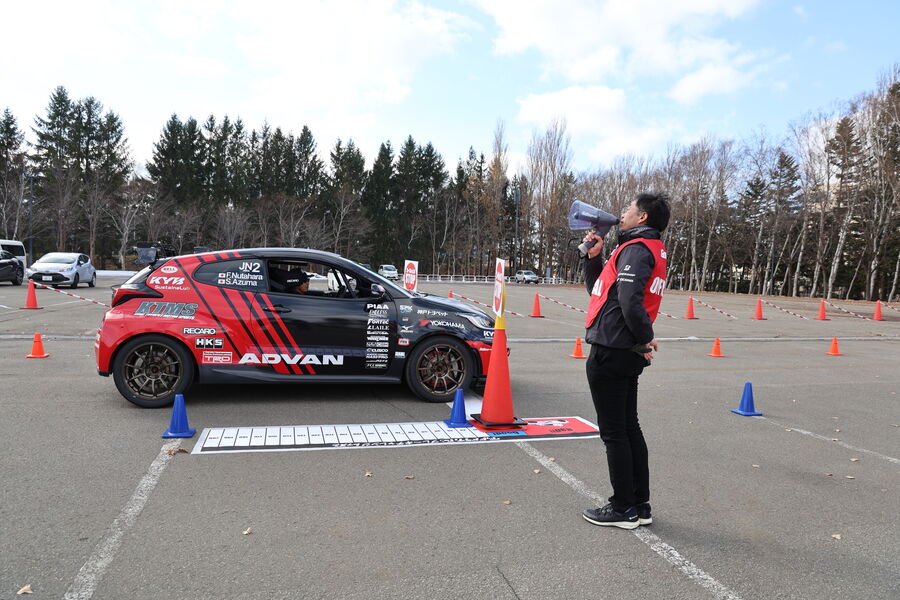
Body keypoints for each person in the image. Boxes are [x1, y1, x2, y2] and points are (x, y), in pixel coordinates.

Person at [581, 192, 670, 530]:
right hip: (624, 347)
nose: (623, 213)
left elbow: (631, 302)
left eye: (629, 209)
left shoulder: (636, 249)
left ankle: (623, 507)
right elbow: (602, 292)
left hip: (612, 348)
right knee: (629, 427)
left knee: (615, 432)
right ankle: (639, 504)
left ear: (642, 217)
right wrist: (594, 258)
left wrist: (644, 337)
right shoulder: (646, 248)